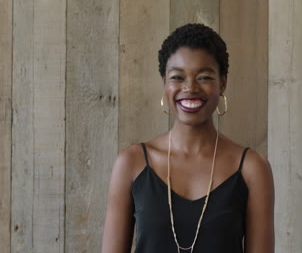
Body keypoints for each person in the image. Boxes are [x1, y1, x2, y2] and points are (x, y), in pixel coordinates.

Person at [102, 23, 274, 253]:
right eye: (177, 77)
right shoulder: (132, 163)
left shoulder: (252, 168)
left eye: (204, 77)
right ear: (164, 82)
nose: (190, 88)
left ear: (222, 82)